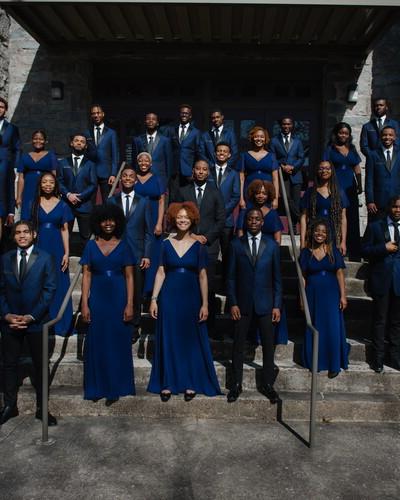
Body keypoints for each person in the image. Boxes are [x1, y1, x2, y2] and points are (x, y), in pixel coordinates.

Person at [147, 202, 222, 401]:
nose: (182, 220)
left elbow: (203, 276)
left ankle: (190, 381)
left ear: (192, 221)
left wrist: (205, 303)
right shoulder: (164, 244)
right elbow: (161, 271)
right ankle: (168, 382)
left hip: (191, 297)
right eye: (179, 217)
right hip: (169, 296)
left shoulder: (199, 247)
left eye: (186, 218)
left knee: (189, 340)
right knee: (169, 337)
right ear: (173, 219)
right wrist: (154, 299)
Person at [0, 220, 57, 425]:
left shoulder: (45, 258)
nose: (22, 235)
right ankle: (9, 405)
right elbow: (1, 291)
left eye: (26, 232)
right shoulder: (5, 259)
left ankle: (42, 408)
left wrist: (32, 316)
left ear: (34, 234)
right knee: (9, 364)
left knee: (41, 366)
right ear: (13, 236)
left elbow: (49, 290)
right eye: (18, 233)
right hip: (10, 322)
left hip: (36, 321)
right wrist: (7, 315)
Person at [80, 204, 135, 404]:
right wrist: (84, 304)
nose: (108, 223)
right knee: (99, 342)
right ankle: (97, 387)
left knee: (117, 342)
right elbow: (86, 275)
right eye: (104, 220)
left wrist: (129, 304)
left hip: (118, 296)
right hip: (99, 298)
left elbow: (130, 277)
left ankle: (115, 387)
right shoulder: (90, 246)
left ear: (118, 221)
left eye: (112, 220)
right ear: (97, 222)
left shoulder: (124, 245)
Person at [226, 208, 282, 403]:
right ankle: (236, 384)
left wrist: (277, 305)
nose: (254, 222)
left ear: (262, 222)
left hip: (266, 304)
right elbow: (230, 278)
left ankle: (267, 384)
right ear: (246, 221)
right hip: (242, 304)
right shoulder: (235, 245)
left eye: (257, 219)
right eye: (250, 219)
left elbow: (277, 279)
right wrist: (232, 303)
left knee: (268, 346)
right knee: (238, 345)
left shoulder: (273, 246)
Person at [175, 160, 225, 337]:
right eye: (198, 169)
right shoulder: (183, 191)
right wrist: (192, 236)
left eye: (204, 169)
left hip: (208, 247)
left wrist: (207, 237)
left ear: (208, 172)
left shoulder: (215, 192)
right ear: (193, 171)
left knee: (208, 289)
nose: (201, 172)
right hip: (186, 244)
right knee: (188, 286)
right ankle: (187, 323)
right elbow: (175, 215)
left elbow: (221, 220)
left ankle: (209, 327)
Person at [237, 180, 287, 346]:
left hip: (267, 260)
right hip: (248, 258)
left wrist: (269, 254)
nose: (261, 195)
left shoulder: (272, 214)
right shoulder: (246, 212)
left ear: (269, 195)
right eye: (258, 192)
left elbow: (278, 237)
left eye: (264, 193)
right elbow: (240, 234)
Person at [299, 218, 349, 378]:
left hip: (331, 294)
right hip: (313, 294)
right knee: (316, 326)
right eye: (317, 231)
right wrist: (302, 297)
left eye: (323, 232)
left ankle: (334, 364)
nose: (319, 234)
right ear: (312, 232)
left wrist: (343, 296)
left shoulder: (333, 250)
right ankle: (316, 362)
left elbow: (340, 273)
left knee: (332, 328)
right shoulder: (306, 253)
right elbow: (303, 277)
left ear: (327, 234)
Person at [108, 165, 152, 340]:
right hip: (116, 252)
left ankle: (134, 327)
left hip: (137, 253)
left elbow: (148, 230)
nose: (127, 178)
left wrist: (147, 254)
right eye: (124, 176)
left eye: (130, 176)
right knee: (118, 289)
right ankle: (118, 323)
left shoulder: (144, 201)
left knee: (135, 292)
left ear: (135, 180)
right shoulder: (112, 200)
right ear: (121, 179)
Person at [362, 196, 400, 372]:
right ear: (389, 207)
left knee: (396, 322)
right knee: (380, 320)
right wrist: (383, 249)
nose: (398, 210)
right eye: (395, 206)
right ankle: (377, 358)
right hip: (382, 279)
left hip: (398, 281)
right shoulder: (375, 226)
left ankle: (394, 357)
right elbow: (365, 250)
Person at [32, 172, 74, 336]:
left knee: (59, 282)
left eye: (51, 182)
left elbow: (64, 230)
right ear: (40, 185)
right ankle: (40, 320)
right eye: (44, 182)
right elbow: (31, 228)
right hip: (39, 246)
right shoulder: (34, 203)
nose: (48, 185)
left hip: (57, 247)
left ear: (55, 185)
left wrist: (66, 252)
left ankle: (61, 323)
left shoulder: (63, 205)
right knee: (40, 282)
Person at [323, 122, 362, 260]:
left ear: (349, 135)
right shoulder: (330, 149)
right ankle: (336, 248)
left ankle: (354, 252)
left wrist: (360, 185)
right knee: (336, 218)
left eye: (346, 133)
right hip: (335, 187)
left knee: (352, 218)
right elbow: (325, 167)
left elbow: (357, 167)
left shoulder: (351, 148)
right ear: (336, 133)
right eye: (341, 133)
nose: (343, 135)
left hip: (350, 187)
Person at [57, 133, 97, 251]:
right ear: (71, 143)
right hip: (67, 204)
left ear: (85, 146)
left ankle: (85, 264)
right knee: (65, 233)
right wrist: (68, 195)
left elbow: (93, 184)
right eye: (76, 140)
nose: (79, 143)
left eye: (82, 141)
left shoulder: (90, 164)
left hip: (84, 204)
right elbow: (59, 182)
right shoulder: (63, 162)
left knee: (86, 236)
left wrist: (80, 196)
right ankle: (64, 257)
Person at [134, 152, 166, 295]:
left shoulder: (157, 179)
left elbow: (161, 201)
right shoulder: (132, 178)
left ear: (151, 164)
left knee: (153, 252)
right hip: (136, 218)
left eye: (147, 161)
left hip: (153, 217)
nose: (144, 163)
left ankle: (150, 290)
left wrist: (159, 223)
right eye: (141, 160)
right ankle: (136, 287)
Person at [300, 160, 348, 254]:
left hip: (333, 235)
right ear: (317, 171)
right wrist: (302, 241)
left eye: (327, 168)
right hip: (315, 234)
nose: (324, 171)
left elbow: (343, 218)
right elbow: (303, 217)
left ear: (332, 171)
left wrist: (343, 242)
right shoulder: (310, 192)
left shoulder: (339, 192)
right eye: (321, 168)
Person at [209, 142, 240, 284]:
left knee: (227, 253)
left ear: (229, 155)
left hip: (226, 221)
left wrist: (222, 212)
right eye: (219, 151)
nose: (221, 153)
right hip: (209, 220)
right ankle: (209, 283)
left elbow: (235, 196)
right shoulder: (207, 171)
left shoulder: (234, 174)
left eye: (224, 151)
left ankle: (226, 283)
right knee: (210, 254)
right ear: (215, 153)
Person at [270, 116, 305, 234]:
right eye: (284, 124)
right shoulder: (274, 141)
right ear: (281, 125)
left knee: (295, 201)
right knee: (287, 199)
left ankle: (293, 226)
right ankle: (302, 218)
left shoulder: (298, 141)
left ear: (292, 125)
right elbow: (272, 157)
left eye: (289, 124)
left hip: (296, 175)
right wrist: (283, 166)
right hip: (281, 175)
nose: (286, 126)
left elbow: (301, 157)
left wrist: (293, 167)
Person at [161, 104, 202, 197]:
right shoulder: (171, 130)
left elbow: (198, 153)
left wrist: (195, 170)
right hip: (174, 171)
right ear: (179, 114)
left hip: (188, 172)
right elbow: (167, 151)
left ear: (190, 116)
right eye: (182, 113)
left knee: (188, 199)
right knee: (173, 199)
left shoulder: (196, 132)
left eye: (186, 113)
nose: (184, 115)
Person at [16, 130, 57, 221]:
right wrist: (19, 196)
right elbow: (21, 178)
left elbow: (54, 175)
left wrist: (55, 193)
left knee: (41, 216)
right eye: (35, 139)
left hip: (44, 189)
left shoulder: (51, 155)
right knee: (27, 216)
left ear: (45, 141)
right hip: (28, 191)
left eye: (41, 139)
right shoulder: (25, 156)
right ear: (32, 140)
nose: (38, 141)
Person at [84, 104, 119, 203]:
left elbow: (115, 154)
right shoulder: (87, 133)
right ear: (91, 116)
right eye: (93, 113)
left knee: (107, 201)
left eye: (98, 113)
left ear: (103, 114)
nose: (96, 115)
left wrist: (113, 173)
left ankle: (107, 219)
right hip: (91, 172)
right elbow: (85, 154)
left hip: (106, 173)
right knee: (90, 201)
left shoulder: (111, 133)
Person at [365, 125, 400, 222]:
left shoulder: (399, 154)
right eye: (384, 135)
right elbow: (369, 179)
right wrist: (370, 200)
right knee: (377, 230)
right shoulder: (373, 155)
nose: (387, 137)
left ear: (395, 137)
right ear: (380, 137)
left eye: (390, 135)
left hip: (396, 201)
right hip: (378, 202)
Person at [239, 126, 279, 209]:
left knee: (266, 219)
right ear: (252, 138)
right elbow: (241, 179)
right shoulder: (244, 155)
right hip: (249, 193)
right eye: (256, 136)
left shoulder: (272, 156)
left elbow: (275, 179)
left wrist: (275, 199)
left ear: (265, 139)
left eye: (262, 137)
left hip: (267, 194)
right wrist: (241, 198)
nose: (259, 139)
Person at [131, 112, 173, 184]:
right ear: (145, 122)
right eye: (148, 119)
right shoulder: (137, 140)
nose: (151, 121)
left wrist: (167, 181)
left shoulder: (165, 141)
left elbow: (168, 162)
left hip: (160, 179)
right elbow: (134, 162)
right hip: (142, 179)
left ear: (157, 123)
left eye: (153, 119)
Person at [0, 97, 21, 237]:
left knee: (5, 192)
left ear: (5, 110)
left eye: (1, 107)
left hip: (5, 165)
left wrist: (16, 167)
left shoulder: (12, 128)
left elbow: (17, 148)